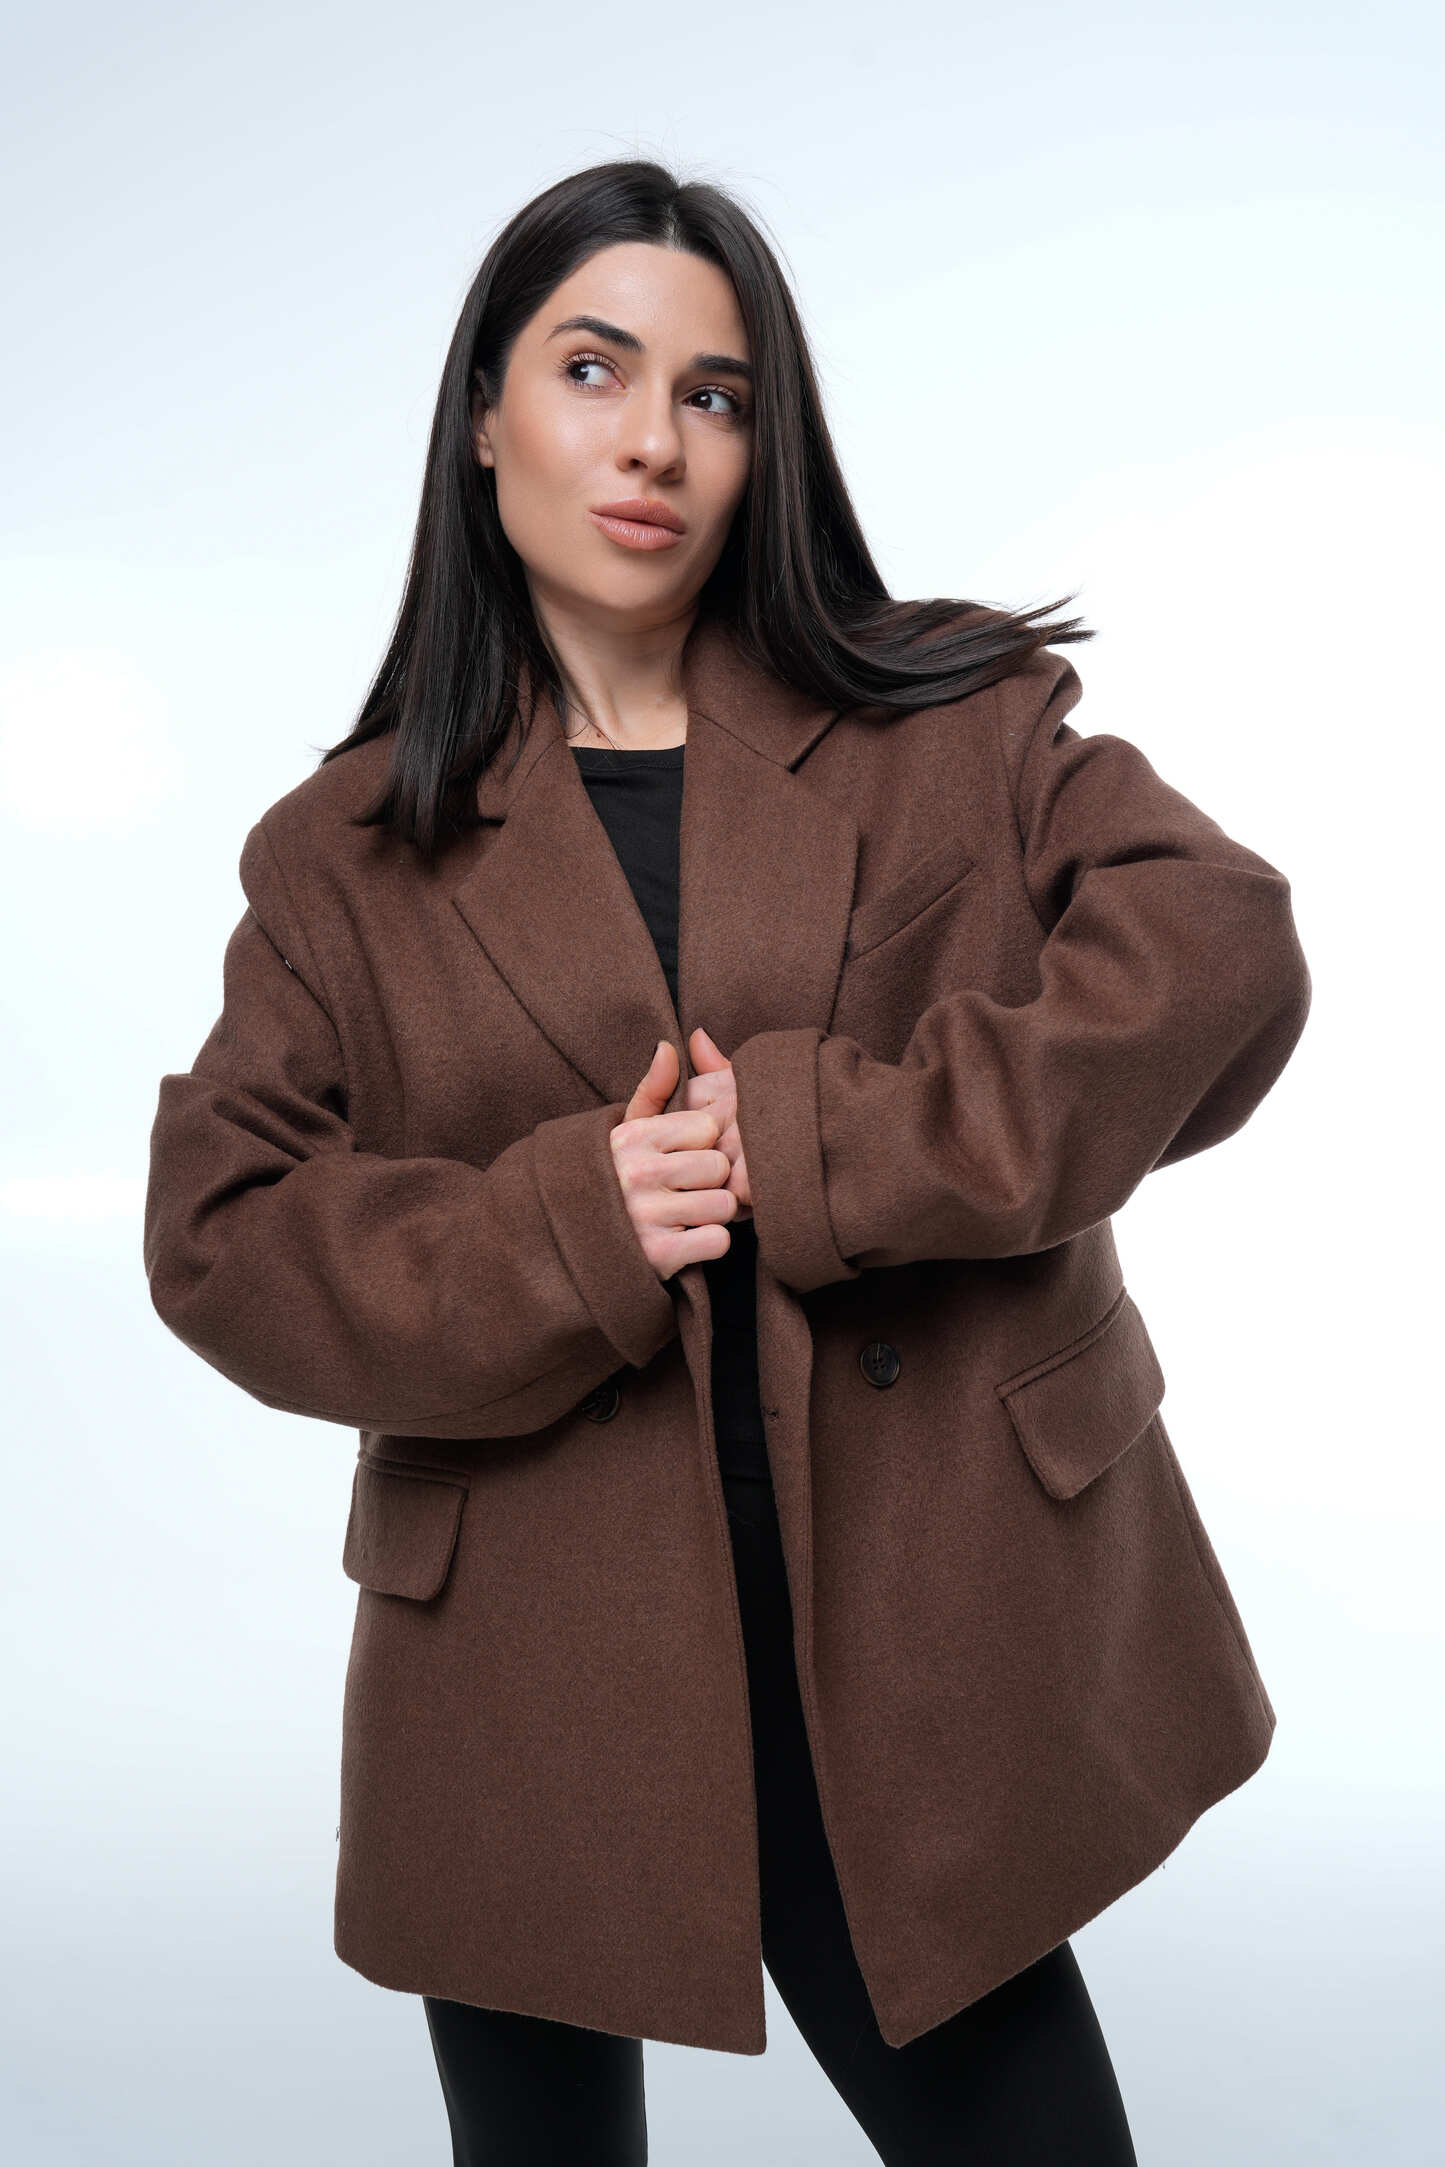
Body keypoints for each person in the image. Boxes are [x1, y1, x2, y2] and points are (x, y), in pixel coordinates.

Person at [144, 158, 1310, 2166]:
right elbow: (221, 1232)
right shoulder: (342, 853)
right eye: (593, 368)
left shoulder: (944, 714)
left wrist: (838, 1145)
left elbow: (1215, 950)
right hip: (530, 1650)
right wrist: (562, 1228)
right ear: (483, 415)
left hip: (920, 1621)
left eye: (716, 394)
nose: (655, 442)